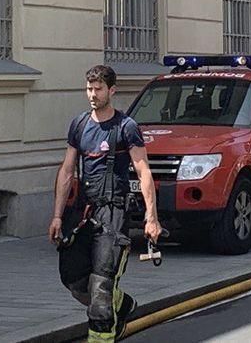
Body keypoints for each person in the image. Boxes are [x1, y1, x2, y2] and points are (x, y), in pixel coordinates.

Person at [49, 65, 162, 342]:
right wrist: (57, 216)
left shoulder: (126, 127)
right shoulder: (79, 125)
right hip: (84, 212)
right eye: (89, 88)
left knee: (101, 289)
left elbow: (143, 171)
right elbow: (66, 171)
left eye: (98, 89)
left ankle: (102, 335)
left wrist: (152, 218)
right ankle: (122, 305)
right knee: (73, 278)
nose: (92, 94)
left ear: (112, 90)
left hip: (114, 214)